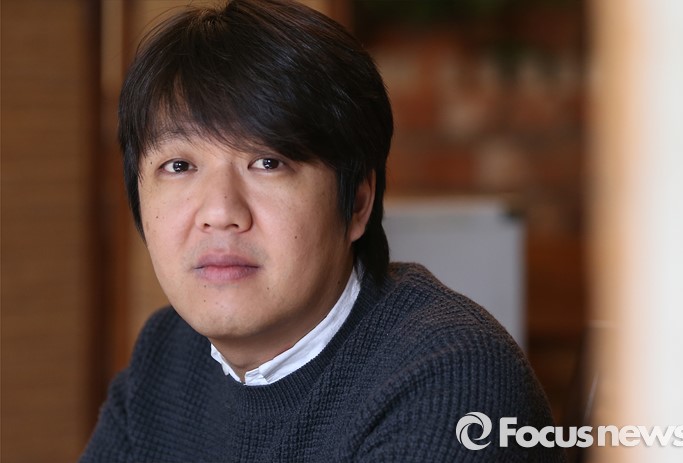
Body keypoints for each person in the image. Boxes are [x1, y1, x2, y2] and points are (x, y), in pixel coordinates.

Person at [81, 0, 564, 461]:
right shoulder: (166, 354)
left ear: (357, 203)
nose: (220, 212)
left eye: (268, 162)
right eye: (179, 165)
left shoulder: (450, 377)